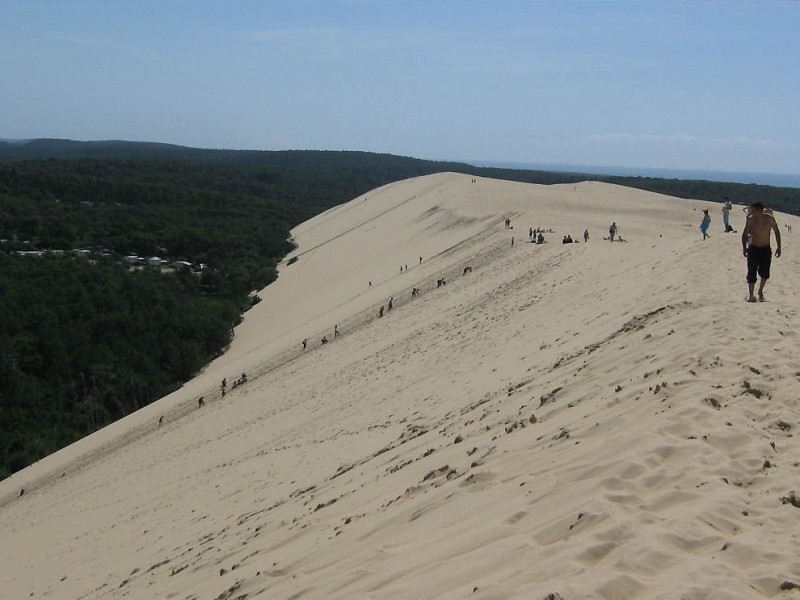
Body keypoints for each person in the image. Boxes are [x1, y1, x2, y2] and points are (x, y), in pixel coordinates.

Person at [742, 202, 781, 302]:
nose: (752, 213)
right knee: (751, 272)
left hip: (765, 249)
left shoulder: (769, 219)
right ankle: (751, 295)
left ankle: (760, 291)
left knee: (765, 272)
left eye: (754, 211)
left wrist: (779, 247)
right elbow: (745, 234)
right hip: (753, 249)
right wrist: (744, 248)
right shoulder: (751, 220)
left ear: (760, 211)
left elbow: (777, 232)